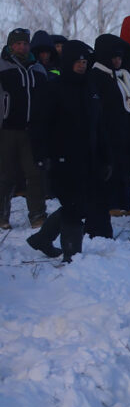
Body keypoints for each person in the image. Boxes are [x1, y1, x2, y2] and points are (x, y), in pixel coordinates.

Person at [27, 41, 104, 261]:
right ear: (68, 62)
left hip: (87, 158)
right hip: (61, 158)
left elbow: (99, 126)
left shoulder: (90, 88)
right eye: (78, 62)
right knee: (72, 206)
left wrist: (105, 156)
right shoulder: (54, 89)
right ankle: (72, 256)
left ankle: (42, 239)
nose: (82, 65)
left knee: (81, 205)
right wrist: (41, 155)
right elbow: (38, 126)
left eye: (85, 62)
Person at [0, 28, 49, 230]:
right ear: (11, 46)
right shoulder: (2, 66)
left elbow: (46, 99)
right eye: (18, 44)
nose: (22, 47)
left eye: (25, 43)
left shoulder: (38, 69)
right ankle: (1, 216)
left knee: (35, 173)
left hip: (32, 131)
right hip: (7, 129)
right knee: (5, 175)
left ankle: (38, 215)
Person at [88, 34, 130, 230]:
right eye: (114, 57)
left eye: (120, 57)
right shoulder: (96, 76)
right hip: (106, 130)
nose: (118, 60)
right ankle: (112, 203)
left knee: (125, 166)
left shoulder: (123, 76)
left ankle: (125, 202)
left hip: (124, 130)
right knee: (110, 167)